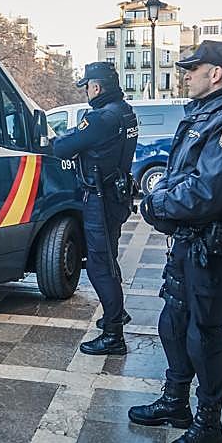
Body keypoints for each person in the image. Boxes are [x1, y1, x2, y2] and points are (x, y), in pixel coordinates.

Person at [128, 41, 222, 443]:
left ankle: (208, 425)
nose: (186, 74)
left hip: (211, 246)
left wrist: (155, 203)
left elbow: (206, 191)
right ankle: (175, 400)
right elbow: (177, 175)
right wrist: (161, 197)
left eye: (194, 68)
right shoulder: (204, 115)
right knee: (173, 321)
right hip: (188, 242)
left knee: (203, 335)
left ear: (216, 74)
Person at [52, 61, 139, 355]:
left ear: (97, 87)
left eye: (87, 86)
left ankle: (114, 333)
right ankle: (117, 313)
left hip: (99, 199)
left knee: (100, 267)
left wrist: (57, 137)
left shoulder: (101, 118)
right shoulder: (126, 112)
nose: (87, 91)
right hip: (116, 196)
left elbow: (63, 148)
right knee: (109, 258)